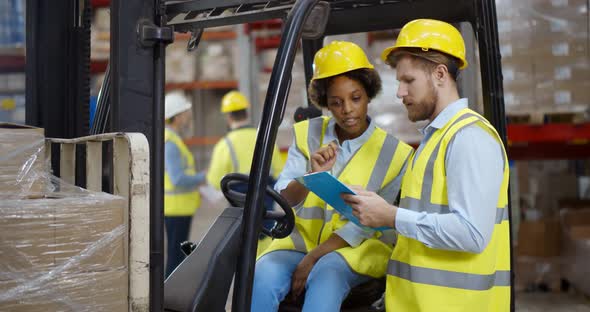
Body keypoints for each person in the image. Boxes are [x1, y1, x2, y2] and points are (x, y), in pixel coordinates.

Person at [342, 19, 511, 311]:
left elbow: (471, 233)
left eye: (408, 81)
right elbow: (422, 225)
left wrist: (391, 216)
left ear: (440, 74)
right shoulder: (435, 139)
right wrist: (375, 209)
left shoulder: (469, 137)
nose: (399, 92)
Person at [251, 41, 414, 312]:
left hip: (356, 249)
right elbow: (284, 199)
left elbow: (366, 225)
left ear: (369, 93)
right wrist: (309, 177)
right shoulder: (307, 135)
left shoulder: (395, 155)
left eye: (356, 98)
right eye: (336, 103)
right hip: (299, 243)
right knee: (263, 275)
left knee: (326, 275)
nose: (347, 110)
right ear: (325, 102)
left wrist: (313, 258)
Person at [206, 90, 283, 253]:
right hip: (266, 211)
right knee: (266, 249)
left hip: (240, 213)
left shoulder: (224, 144)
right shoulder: (264, 137)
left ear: (228, 117)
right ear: (246, 113)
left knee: (245, 250)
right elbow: (278, 170)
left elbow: (213, 180)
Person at [164, 91, 207, 278]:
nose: (187, 116)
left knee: (178, 255)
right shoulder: (170, 142)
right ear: (177, 116)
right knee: (175, 258)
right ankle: (169, 298)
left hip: (180, 208)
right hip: (176, 209)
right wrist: (200, 178)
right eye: (185, 113)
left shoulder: (172, 139)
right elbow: (177, 179)